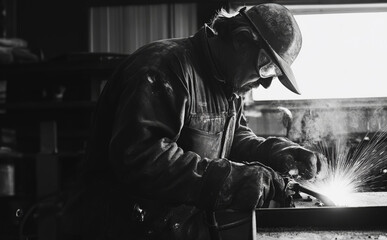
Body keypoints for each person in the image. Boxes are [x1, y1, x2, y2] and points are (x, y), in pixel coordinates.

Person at [63, 3, 326, 240]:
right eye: (267, 67)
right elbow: (142, 159)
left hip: (175, 227)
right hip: (123, 228)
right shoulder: (163, 68)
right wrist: (233, 180)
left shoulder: (228, 84)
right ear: (241, 40)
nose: (267, 82)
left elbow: (233, 138)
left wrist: (276, 152)